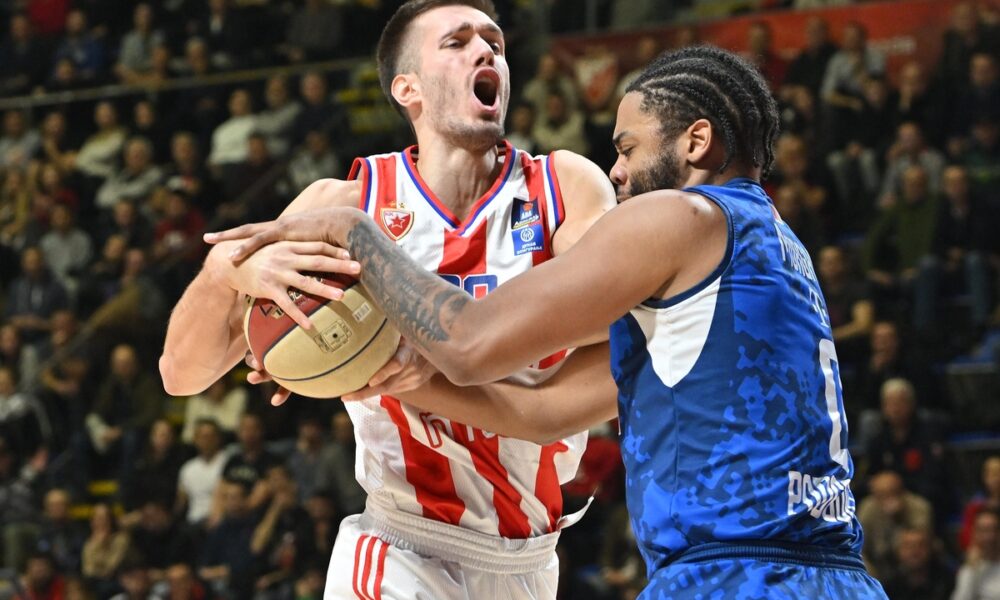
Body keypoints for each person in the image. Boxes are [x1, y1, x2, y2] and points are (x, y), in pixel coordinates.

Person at [210, 45, 887, 598]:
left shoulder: (681, 215)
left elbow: (472, 342)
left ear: (697, 141)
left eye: (627, 148)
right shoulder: (774, 248)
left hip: (734, 575)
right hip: (834, 576)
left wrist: (354, 232)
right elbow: (547, 412)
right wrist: (402, 379)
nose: (615, 173)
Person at [160, 1, 615, 598]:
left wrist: (437, 358)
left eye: (495, 44)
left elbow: (615, 327)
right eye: (457, 42)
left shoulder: (564, 186)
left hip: (529, 557)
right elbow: (181, 374)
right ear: (408, 88)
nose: (487, 53)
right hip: (402, 547)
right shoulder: (343, 203)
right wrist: (225, 272)